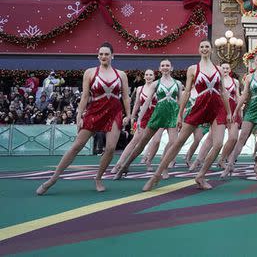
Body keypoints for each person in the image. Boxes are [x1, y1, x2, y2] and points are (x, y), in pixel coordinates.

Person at [36, 42, 131, 194]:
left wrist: (129, 114)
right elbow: (85, 96)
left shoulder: (121, 74)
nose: (103, 56)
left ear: (112, 56)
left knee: (111, 148)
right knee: (76, 146)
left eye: (106, 54)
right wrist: (79, 115)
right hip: (94, 112)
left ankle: (98, 178)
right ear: (98, 56)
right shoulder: (90, 72)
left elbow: (125, 97)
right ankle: (52, 179)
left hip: (115, 113)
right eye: (101, 54)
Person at [143, 40, 231, 191]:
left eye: (207, 47)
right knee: (178, 142)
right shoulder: (192, 69)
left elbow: (223, 91)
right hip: (199, 107)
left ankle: (201, 176)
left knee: (218, 144)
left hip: (218, 108)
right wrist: (179, 114)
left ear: (211, 50)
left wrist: (229, 112)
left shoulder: (218, 69)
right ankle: (156, 175)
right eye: (202, 46)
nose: (204, 49)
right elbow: (187, 92)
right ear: (199, 49)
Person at [115, 59, 182, 180]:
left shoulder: (178, 83)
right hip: (157, 115)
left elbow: (181, 101)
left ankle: (164, 166)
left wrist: (180, 116)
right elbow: (145, 103)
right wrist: (139, 119)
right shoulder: (155, 84)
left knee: (174, 143)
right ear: (160, 68)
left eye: (167, 65)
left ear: (171, 68)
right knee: (141, 144)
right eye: (163, 66)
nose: (165, 67)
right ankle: (125, 165)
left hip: (172, 116)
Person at [111, 69, 156, 174]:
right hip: (144, 117)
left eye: (150, 75)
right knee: (135, 141)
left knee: (156, 140)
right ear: (144, 77)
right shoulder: (140, 89)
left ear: (154, 77)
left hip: (156, 117)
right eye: (146, 75)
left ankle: (148, 161)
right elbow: (137, 104)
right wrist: (132, 116)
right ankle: (119, 164)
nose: (148, 76)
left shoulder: (157, 87)